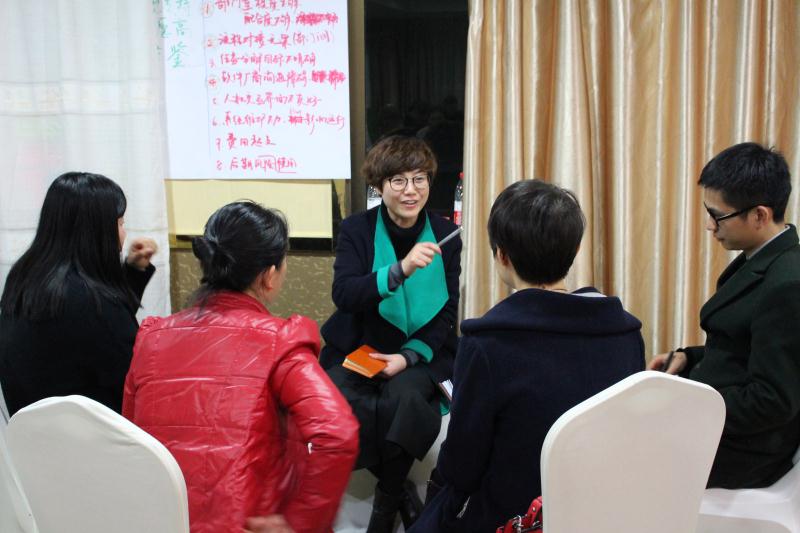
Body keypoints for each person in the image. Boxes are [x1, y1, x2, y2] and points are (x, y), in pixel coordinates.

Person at [410, 179, 645, 533]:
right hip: (599, 511)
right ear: (576, 248)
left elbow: (462, 466)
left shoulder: (487, 343)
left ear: (502, 255)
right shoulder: (625, 333)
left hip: (514, 517)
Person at [123, 201, 358, 533]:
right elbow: (337, 432)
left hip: (162, 521)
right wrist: (300, 522)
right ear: (269, 275)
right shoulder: (281, 341)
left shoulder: (152, 337)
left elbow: (131, 439)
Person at [319, 135, 461, 532]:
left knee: (406, 398)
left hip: (421, 352)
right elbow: (345, 294)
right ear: (379, 186)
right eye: (398, 180)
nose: (411, 190)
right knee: (340, 399)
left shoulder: (445, 234)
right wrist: (400, 270)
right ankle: (399, 493)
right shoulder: (357, 230)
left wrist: (408, 357)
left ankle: (385, 504)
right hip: (360, 345)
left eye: (420, 179)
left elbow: (447, 311)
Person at [649, 142, 800, 489]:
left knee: (617, 450)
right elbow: (744, 347)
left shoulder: (787, 284)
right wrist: (690, 358)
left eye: (717, 216)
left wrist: (687, 405)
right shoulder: (762, 259)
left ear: (759, 215)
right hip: (721, 429)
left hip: (745, 452)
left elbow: (773, 400)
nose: (709, 225)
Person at [0, 171, 157, 415]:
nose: (123, 233)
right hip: (94, 432)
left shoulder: (24, 277)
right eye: (120, 223)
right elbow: (133, 379)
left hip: (31, 432)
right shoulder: (92, 302)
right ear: (97, 230)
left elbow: (96, 332)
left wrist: (133, 270)